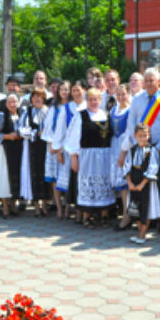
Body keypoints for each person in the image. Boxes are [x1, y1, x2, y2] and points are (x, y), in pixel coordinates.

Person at [120, 67, 160, 235]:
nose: (149, 83)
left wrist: (158, 148)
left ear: (159, 81)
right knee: (144, 185)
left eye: (152, 80)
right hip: (142, 149)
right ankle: (147, 217)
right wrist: (135, 144)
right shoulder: (137, 98)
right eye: (147, 80)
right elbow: (132, 123)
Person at [67, 88, 114, 227]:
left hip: (104, 155)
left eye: (96, 99)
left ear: (100, 100)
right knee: (88, 185)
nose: (94, 102)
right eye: (91, 99)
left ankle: (104, 216)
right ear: (87, 100)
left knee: (104, 184)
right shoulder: (80, 116)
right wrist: (73, 157)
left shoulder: (105, 115)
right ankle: (87, 217)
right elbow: (73, 138)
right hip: (88, 156)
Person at [54, 80, 87, 222]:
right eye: (74, 90)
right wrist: (59, 150)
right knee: (71, 180)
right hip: (69, 150)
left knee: (82, 181)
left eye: (79, 90)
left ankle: (81, 211)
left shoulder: (89, 106)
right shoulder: (66, 108)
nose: (76, 93)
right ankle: (70, 209)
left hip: (86, 150)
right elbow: (60, 131)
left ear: (84, 90)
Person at [123, 124, 160, 244]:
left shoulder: (152, 151)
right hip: (134, 180)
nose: (143, 138)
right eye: (140, 136)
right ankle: (139, 232)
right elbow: (127, 166)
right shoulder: (132, 150)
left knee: (146, 206)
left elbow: (153, 168)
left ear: (149, 136)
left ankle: (143, 234)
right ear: (135, 136)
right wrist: (129, 183)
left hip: (146, 183)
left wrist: (143, 183)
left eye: (145, 136)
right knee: (136, 207)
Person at [20, 89, 52, 217]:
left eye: (40, 97)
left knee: (45, 173)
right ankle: (36, 206)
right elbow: (21, 129)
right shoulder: (27, 112)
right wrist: (35, 133)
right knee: (34, 174)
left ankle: (45, 204)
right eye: (35, 97)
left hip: (46, 146)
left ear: (44, 98)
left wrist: (46, 133)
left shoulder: (48, 111)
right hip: (32, 146)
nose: (37, 99)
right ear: (31, 99)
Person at [44, 81, 71, 218]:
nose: (64, 92)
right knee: (55, 178)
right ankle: (59, 208)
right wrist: (51, 145)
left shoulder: (72, 107)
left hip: (67, 147)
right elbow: (48, 128)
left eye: (67, 89)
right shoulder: (54, 107)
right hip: (54, 147)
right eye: (62, 89)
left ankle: (67, 207)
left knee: (66, 178)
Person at [111, 84, 132, 230]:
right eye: (118, 94)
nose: (120, 97)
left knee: (127, 181)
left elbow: (130, 132)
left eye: (123, 94)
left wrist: (123, 153)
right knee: (120, 182)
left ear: (128, 94)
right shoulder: (114, 109)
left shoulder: (130, 110)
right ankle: (124, 212)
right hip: (114, 145)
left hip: (126, 146)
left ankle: (127, 214)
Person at [0, 93, 23, 216]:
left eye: (15, 102)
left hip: (20, 149)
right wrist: (8, 136)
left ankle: (14, 203)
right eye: (10, 102)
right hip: (6, 149)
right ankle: (5, 206)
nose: (12, 104)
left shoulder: (22, 114)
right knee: (6, 177)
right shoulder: (1, 116)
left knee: (17, 176)